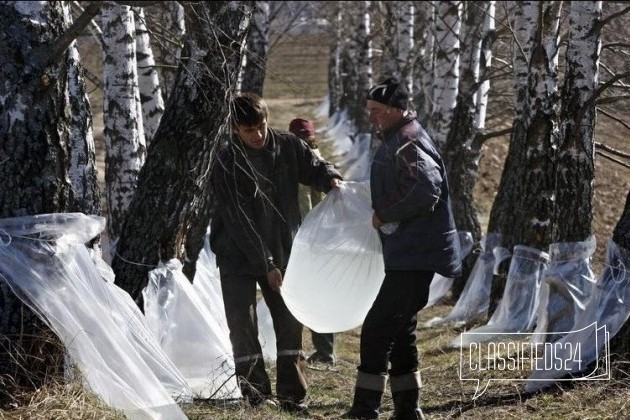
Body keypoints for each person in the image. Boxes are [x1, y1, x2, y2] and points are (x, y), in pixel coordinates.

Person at [210, 93, 343, 414]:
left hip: (284, 247)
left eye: (261, 127)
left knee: (289, 321)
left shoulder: (287, 146)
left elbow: (315, 165)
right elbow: (239, 220)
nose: (257, 135)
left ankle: (291, 396)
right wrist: (266, 263)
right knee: (242, 324)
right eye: (248, 130)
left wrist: (331, 178)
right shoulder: (226, 162)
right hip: (236, 254)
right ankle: (255, 395)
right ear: (234, 128)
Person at [342, 77, 462, 420]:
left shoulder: (406, 141)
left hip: (415, 253)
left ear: (396, 110)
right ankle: (409, 411)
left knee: (378, 328)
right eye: (370, 111)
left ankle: (365, 410)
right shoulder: (400, 137)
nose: (372, 117)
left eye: (377, 111)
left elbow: (426, 190)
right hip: (410, 252)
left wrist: (385, 213)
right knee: (401, 329)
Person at [288, 117, 337, 366]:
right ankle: (322, 350)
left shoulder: (309, 164)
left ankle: (324, 352)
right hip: (314, 238)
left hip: (310, 239)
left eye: (303, 138)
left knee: (313, 295)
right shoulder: (317, 162)